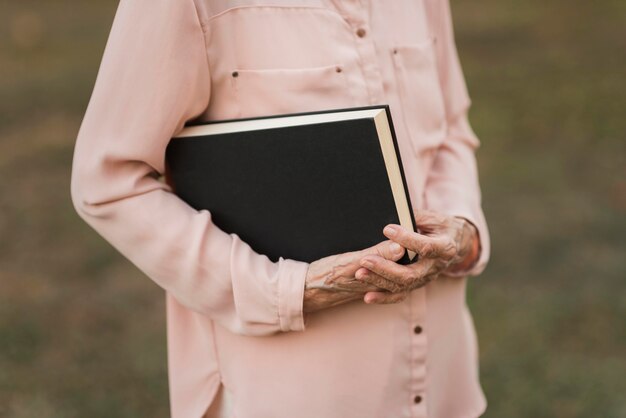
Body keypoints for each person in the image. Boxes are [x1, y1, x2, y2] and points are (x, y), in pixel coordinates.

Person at [70, 0, 491, 417]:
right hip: (286, 393)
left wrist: (463, 232)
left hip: (444, 379)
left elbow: (451, 127)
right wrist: (288, 290)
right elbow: (109, 181)